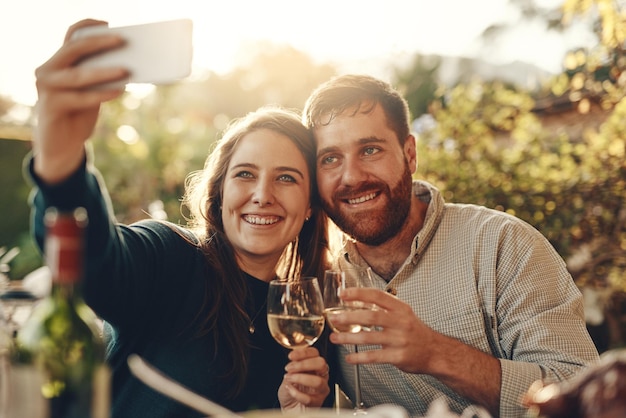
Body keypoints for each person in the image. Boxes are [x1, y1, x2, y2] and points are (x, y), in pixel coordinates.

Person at [25, 19, 332, 418]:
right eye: (245, 174)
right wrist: (62, 161)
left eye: (286, 178)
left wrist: (293, 411)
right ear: (220, 193)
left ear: (310, 205)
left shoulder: (302, 317)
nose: (262, 195)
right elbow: (92, 262)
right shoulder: (172, 258)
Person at [302, 74, 600, 417]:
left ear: (409, 154)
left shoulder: (504, 245)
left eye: (370, 150)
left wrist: (435, 353)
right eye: (330, 159)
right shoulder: (324, 279)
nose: (352, 176)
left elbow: (580, 397)